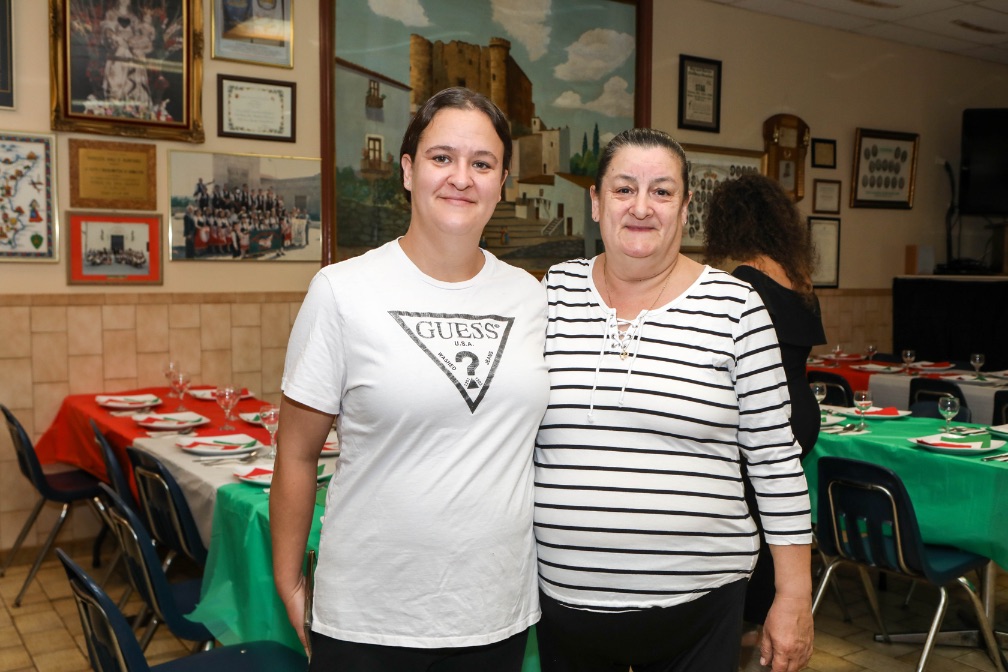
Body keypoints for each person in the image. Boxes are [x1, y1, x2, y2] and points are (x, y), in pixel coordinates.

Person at [270, 87, 550, 672]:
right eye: (441, 157)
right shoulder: (342, 290)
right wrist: (288, 576)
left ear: (502, 183)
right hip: (368, 615)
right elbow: (295, 452)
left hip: (493, 612)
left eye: (482, 163)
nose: (461, 178)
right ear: (407, 170)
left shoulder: (530, 298)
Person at [535, 128, 814, 672]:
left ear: (685, 208)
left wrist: (794, 596)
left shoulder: (737, 308)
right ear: (596, 202)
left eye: (661, 192)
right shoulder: (552, 295)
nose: (641, 207)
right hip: (565, 607)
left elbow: (775, 462)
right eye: (623, 189)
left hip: (700, 611)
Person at [703, 173, 827, 668]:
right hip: (804, 413)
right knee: (775, 516)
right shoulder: (799, 279)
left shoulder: (743, 282)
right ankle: (765, 619)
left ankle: (743, 622)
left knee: (748, 520)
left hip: (765, 414)